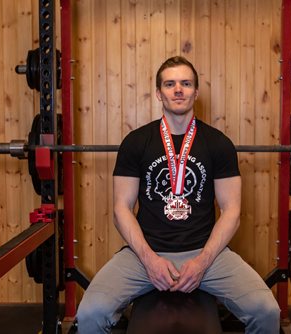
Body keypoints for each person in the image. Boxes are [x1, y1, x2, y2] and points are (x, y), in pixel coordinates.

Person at [76, 56, 280, 333]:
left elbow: (231, 210)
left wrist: (202, 262)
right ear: (159, 93)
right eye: (170, 84)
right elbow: (121, 208)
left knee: (266, 311)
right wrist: (149, 260)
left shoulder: (218, 144)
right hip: (144, 253)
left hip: (206, 254)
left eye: (186, 83)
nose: (178, 90)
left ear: (196, 92)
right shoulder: (136, 142)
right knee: (90, 313)